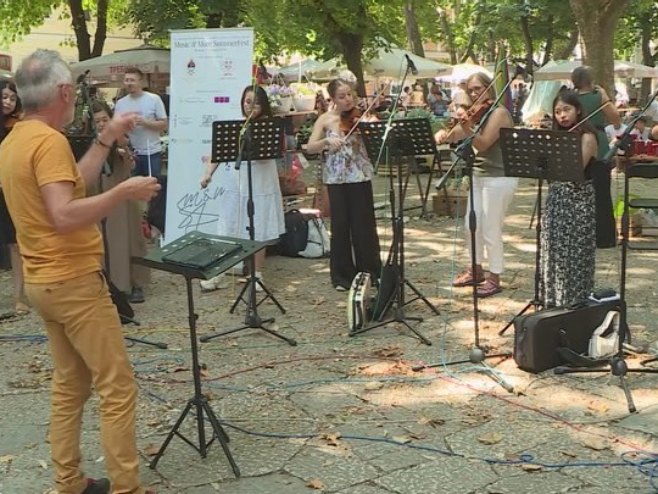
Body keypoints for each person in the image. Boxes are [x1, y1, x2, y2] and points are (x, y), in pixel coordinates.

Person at [0, 49, 160, 494]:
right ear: (65, 92)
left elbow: (73, 183)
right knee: (117, 386)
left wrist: (106, 136)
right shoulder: (48, 141)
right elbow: (65, 214)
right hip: (73, 282)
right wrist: (124, 192)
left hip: (43, 282)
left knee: (71, 384)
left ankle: (69, 481)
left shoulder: (16, 140)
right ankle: (127, 487)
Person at [435, 72, 518, 298]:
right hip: (479, 175)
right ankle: (475, 269)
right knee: (472, 225)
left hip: (499, 176)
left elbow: (481, 144)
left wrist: (468, 127)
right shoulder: (476, 114)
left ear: (489, 88)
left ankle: (495, 276)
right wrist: (444, 134)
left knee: (491, 228)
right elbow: (455, 135)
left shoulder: (499, 113)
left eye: (478, 88)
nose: (474, 93)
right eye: (471, 90)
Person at [199, 85, 286, 291]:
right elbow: (218, 153)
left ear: (263, 105)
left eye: (256, 103)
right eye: (247, 102)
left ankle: (256, 275)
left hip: (262, 181)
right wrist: (208, 174)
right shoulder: (235, 126)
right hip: (236, 183)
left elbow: (278, 153)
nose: (251, 106)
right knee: (229, 225)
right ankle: (219, 273)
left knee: (259, 226)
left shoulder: (270, 126)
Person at [306, 77, 382, 291]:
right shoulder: (325, 119)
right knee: (340, 226)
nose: (348, 100)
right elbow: (310, 147)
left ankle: (370, 271)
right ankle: (342, 275)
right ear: (333, 99)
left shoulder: (361, 116)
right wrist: (327, 142)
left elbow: (374, 141)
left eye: (350, 94)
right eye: (342, 96)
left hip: (359, 175)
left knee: (363, 225)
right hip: (336, 178)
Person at [541, 90, 598, 307]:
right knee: (554, 254)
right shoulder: (558, 137)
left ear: (578, 110)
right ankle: (553, 302)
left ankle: (573, 304)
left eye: (566, 109)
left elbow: (574, 170)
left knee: (574, 256)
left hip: (577, 203)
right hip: (556, 201)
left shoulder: (587, 136)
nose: (562, 115)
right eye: (557, 111)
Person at [90, 100, 151, 303]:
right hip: (99, 194)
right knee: (106, 241)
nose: (100, 124)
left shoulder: (121, 138)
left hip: (122, 191)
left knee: (129, 239)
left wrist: (123, 150)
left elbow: (131, 163)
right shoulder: (89, 142)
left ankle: (135, 283)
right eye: (96, 120)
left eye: (104, 119)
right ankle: (108, 283)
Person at [571, 66, 620, 248]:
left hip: (576, 143)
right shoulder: (599, 96)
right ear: (591, 81)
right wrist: (605, 97)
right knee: (601, 193)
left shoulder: (570, 98)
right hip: (598, 145)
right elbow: (616, 119)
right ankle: (604, 238)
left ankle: (580, 234)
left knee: (578, 190)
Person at [0, 80, 29, 315]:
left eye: (12, 98)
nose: (8, 102)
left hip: (8, 191)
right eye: (4, 96)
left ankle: (19, 297)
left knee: (15, 244)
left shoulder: (18, 127)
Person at [114, 67, 168, 178]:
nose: (129, 83)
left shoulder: (154, 99)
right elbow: (116, 127)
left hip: (152, 152)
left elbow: (163, 125)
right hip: (131, 153)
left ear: (141, 82)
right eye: (126, 80)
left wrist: (145, 122)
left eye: (132, 80)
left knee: (153, 185)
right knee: (133, 188)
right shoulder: (120, 103)